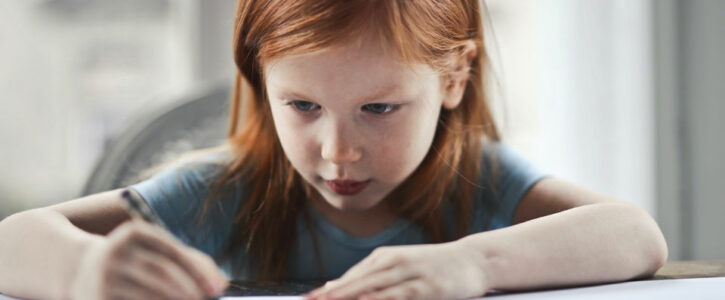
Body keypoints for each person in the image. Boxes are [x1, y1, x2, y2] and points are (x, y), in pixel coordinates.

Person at [0, 0, 668, 299]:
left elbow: (633, 235)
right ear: (262, 83)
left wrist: (473, 263)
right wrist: (82, 275)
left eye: (378, 109)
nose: (338, 151)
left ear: (454, 77)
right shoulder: (224, 188)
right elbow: (13, 240)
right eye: (302, 107)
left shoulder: (476, 180)